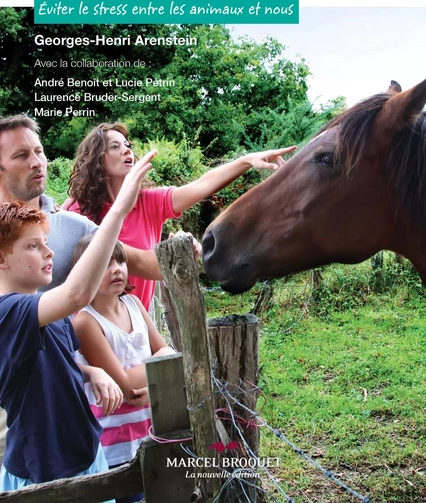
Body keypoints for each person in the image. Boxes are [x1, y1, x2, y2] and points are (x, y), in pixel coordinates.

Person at [0, 114, 161, 466]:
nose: (37, 161)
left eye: (39, 151)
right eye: (21, 155)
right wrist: (119, 209)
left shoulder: (69, 226)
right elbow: (74, 296)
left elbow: (138, 262)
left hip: (78, 433)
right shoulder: (12, 304)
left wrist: (211, 254)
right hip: (23, 440)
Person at [66, 122, 297, 310]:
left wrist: (246, 160)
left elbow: (201, 185)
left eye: (127, 145)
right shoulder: (79, 212)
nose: (127, 150)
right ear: (97, 160)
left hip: (135, 324)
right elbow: (146, 265)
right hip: (90, 327)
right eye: (115, 147)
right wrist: (180, 252)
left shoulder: (148, 202)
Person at [72, 234, 175, 503]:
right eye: (106, 263)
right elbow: (126, 386)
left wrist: (164, 360)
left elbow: (167, 355)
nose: (117, 269)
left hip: (148, 432)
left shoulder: (135, 304)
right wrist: (160, 363)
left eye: (120, 261)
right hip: (112, 446)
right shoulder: (85, 322)